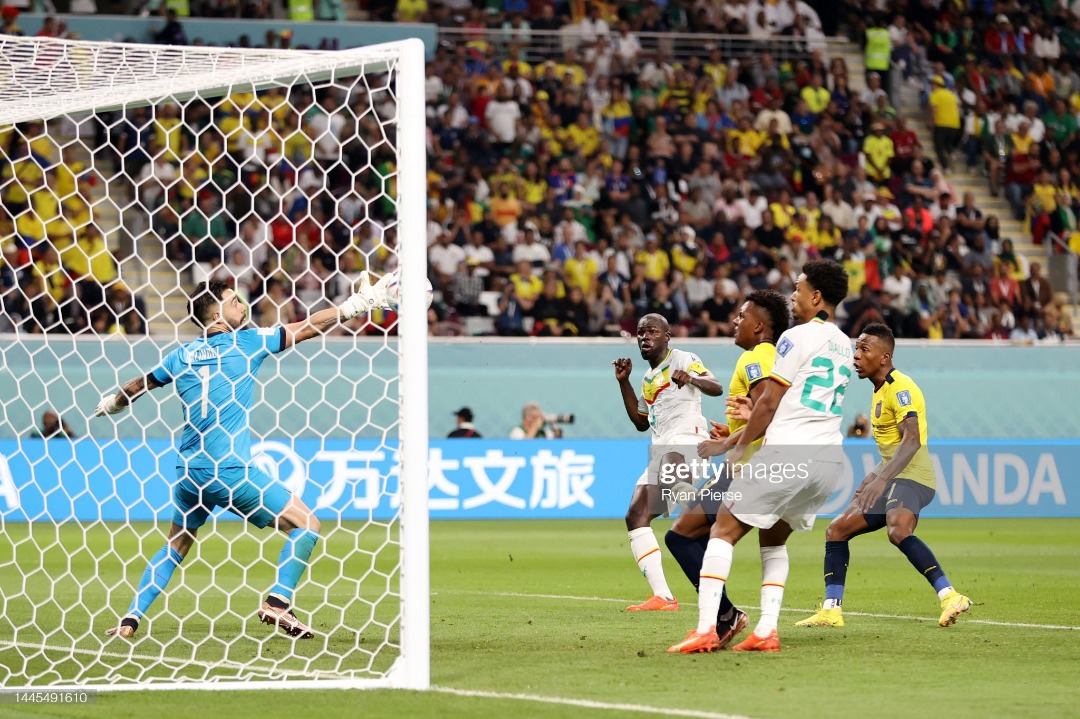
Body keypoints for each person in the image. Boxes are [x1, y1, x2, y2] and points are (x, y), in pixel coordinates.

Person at [92, 273, 393, 640]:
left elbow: (136, 386)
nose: (243, 306)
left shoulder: (179, 357)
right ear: (217, 314)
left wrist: (112, 404)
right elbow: (306, 327)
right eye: (235, 301)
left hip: (189, 473)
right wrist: (354, 307)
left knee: (176, 545)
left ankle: (130, 619)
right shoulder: (246, 342)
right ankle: (278, 603)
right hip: (229, 470)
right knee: (307, 525)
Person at [670, 260, 851, 654]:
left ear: (817, 296)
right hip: (829, 460)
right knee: (773, 539)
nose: (794, 295)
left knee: (722, 530)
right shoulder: (845, 343)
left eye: (799, 288)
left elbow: (769, 402)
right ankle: (766, 630)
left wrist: (735, 448)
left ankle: (706, 628)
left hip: (788, 450)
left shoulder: (794, 337)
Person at [796, 323, 972, 628]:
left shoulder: (900, 387)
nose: (856, 355)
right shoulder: (880, 391)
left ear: (884, 356)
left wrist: (880, 480)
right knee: (836, 530)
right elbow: (891, 451)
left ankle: (950, 596)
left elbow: (912, 440)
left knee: (898, 531)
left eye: (864, 349)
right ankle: (831, 609)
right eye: (856, 348)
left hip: (914, 475)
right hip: (893, 475)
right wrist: (874, 476)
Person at [664, 290, 791, 649]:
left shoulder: (757, 358)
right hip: (755, 462)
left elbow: (769, 413)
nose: (736, 322)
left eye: (742, 316)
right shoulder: (775, 357)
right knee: (695, 536)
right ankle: (730, 618)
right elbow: (761, 415)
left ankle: (722, 619)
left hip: (748, 469)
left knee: (682, 536)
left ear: (760, 326)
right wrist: (734, 433)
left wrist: (728, 444)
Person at [613, 313, 723, 612]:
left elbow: (716, 386)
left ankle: (707, 516)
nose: (644, 337)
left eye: (651, 331)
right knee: (635, 515)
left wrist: (693, 378)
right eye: (640, 333)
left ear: (666, 336)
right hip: (661, 450)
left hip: (689, 442)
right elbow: (640, 423)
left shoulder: (683, 358)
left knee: (673, 465)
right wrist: (624, 384)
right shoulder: (649, 379)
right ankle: (663, 596)